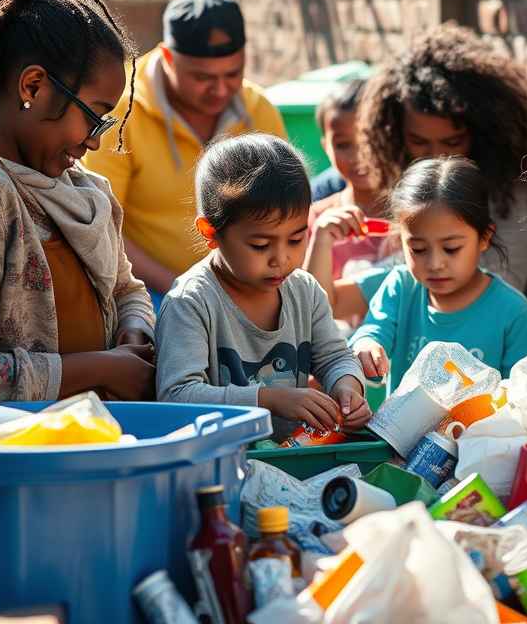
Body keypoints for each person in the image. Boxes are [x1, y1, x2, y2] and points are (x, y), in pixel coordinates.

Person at [0, 0, 156, 404]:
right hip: (10, 447)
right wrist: (101, 368)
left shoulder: (77, 186)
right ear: (33, 87)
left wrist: (133, 328)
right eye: (94, 116)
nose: (95, 141)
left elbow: (125, 288)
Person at [309, 22, 527, 320]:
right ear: (394, 133)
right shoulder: (384, 179)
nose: (436, 155)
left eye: (452, 142)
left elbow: (498, 287)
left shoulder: (511, 193)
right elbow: (333, 302)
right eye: (418, 141)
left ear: (481, 132)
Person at [154, 133, 369, 442]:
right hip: (219, 458)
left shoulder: (305, 291)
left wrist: (348, 388)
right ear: (210, 232)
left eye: (296, 239)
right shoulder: (191, 302)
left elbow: (335, 357)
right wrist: (268, 399)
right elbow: (176, 395)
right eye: (260, 245)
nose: (281, 259)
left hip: (291, 456)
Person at [82, 0, 288, 310]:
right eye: (202, 77)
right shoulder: (120, 110)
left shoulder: (259, 109)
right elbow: (101, 225)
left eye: (233, 74)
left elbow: (284, 212)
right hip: (147, 291)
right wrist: (185, 290)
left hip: (246, 291)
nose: (220, 89)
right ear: (167, 57)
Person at [347, 157, 527, 390]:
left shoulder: (512, 311)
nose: (435, 264)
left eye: (451, 249)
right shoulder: (400, 286)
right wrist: (366, 346)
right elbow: (373, 331)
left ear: (484, 238)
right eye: (418, 249)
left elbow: (526, 393)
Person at [306, 80, 388, 286]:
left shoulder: (416, 212)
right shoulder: (315, 220)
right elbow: (302, 298)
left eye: (368, 141)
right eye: (343, 145)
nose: (358, 156)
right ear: (326, 147)